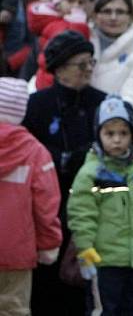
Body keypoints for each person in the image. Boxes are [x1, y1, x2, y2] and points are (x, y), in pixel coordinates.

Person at [23, 30, 106, 315]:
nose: (88, 70)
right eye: (80, 65)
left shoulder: (102, 103)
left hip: (88, 204)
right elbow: (28, 147)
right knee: (45, 283)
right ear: (59, 69)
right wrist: (60, 157)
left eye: (90, 63)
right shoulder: (37, 104)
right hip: (47, 205)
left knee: (78, 283)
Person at [67, 95, 133, 315]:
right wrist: (85, 249)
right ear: (98, 135)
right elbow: (81, 215)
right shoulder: (91, 174)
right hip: (104, 260)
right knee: (104, 309)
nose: (116, 140)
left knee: (131, 307)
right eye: (109, 133)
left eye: (123, 133)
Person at [0, 77, 62, 315]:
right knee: (13, 308)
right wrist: (49, 244)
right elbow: (46, 207)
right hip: (17, 253)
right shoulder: (35, 152)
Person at [89, 0, 133, 117]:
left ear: (130, 17)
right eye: (107, 11)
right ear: (96, 16)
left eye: (120, 12)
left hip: (114, 130)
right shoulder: (82, 43)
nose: (113, 17)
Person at [27, 0, 91, 91]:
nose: (76, 5)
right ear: (58, 4)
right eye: (70, 0)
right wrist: (78, 24)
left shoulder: (67, 22)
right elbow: (73, 48)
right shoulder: (58, 26)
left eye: (81, 2)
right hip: (53, 83)